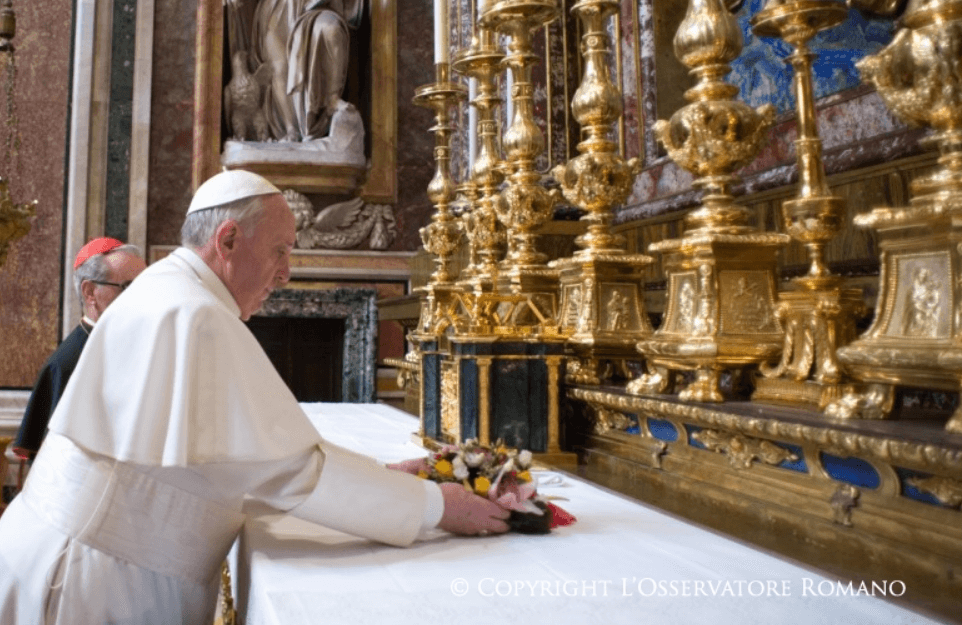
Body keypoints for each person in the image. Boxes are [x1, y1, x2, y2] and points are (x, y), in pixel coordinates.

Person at [0, 170, 508, 624]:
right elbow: (290, 473)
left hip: (93, 561)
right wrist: (436, 507)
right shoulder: (194, 313)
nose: (286, 273)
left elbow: (238, 458)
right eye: (279, 251)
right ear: (228, 240)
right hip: (91, 584)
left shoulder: (171, 290)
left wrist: (383, 476)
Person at [12, 238, 146, 461]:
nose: (142, 297)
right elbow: (57, 462)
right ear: (90, 292)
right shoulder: (67, 364)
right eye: (128, 287)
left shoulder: (136, 345)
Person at [250, 0, 360, 141]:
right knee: (279, 67)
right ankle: (290, 129)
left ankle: (332, 99)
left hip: (316, 8)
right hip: (277, 8)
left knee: (331, 29)